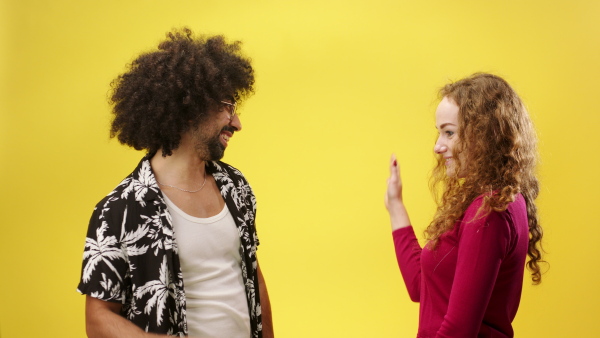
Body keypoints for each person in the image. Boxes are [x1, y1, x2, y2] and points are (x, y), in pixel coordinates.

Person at [77, 28, 273, 338]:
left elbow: (253, 277)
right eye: (227, 106)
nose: (236, 123)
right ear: (190, 107)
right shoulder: (120, 210)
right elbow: (98, 318)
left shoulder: (236, 186)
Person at [385, 73, 543, 337]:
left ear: (484, 135)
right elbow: (421, 287)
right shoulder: (488, 202)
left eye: (449, 132)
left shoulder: (490, 210)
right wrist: (395, 206)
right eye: (439, 133)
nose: (438, 146)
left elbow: (459, 331)